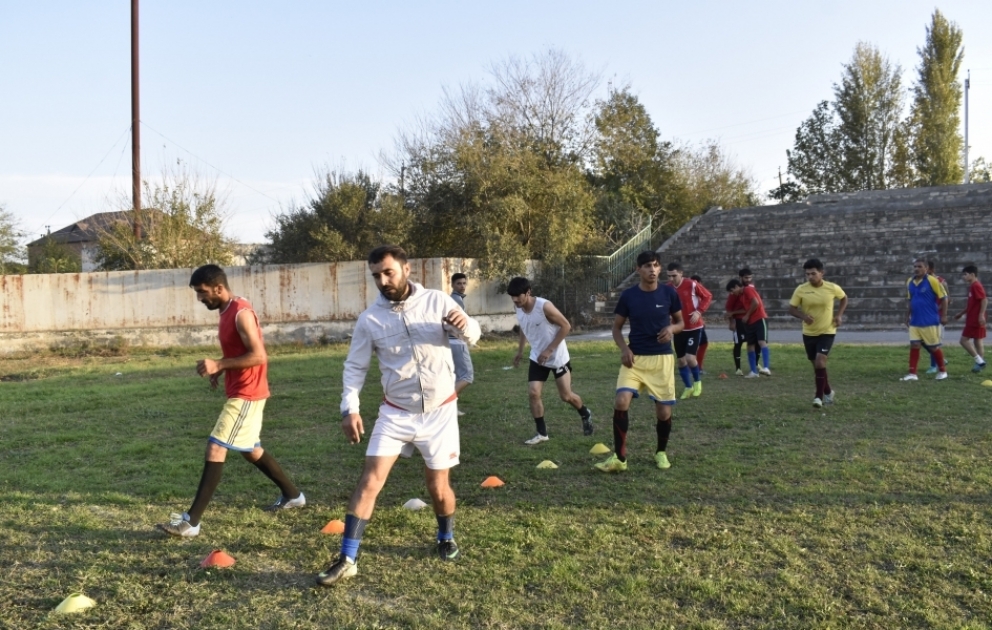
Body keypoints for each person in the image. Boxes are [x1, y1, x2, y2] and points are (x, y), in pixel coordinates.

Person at [317, 245, 481, 586]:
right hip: (395, 413)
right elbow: (355, 367)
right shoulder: (370, 320)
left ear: (406, 269)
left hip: (439, 413)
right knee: (369, 481)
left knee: (438, 487)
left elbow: (474, 335)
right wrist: (350, 408)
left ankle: (445, 536)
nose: (383, 281)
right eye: (376, 275)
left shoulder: (437, 301)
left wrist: (465, 325)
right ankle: (347, 559)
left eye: (388, 272)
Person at [158, 265, 304, 538]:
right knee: (251, 451)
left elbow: (259, 356)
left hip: (247, 393)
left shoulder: (240, 313)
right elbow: (240, 351)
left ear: (218, 288)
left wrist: (220, 364)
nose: (200, 298)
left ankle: (191, 522)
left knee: (216, 446)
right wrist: (221, 368)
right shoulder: (226, 310)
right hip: (242, 389)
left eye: (202, 292)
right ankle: (292, 495)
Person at [595, 251, 684, 473]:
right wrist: (624, 349)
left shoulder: (669, 293)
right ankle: (620, 458)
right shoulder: (629, 296)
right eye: (647, 266)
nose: (652, 269)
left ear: (660, 268)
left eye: (655, 265)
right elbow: (616, 328)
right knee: (621, 401)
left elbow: (681, 323)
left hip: (662, 359)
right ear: (638, 270)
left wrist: (671, 329)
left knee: (663, 413)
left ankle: (661, 452)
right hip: (634, 360)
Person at [509, 277, 593, 443]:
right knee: (533, 393)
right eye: (512, 296)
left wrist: (549, 350)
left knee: (566, 396)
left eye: (518, 296)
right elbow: (524, 327)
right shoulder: (518, 307)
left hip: (557, 357)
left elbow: (566, 326)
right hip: (537, 357)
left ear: (528, 292)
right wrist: (520, 351)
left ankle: (585, 413)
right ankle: (542, 433)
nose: (515, 300)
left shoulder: (544, 306)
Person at [788, 259, 848, 408]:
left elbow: (844, 298)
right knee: (817, 366)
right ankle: (828, 392)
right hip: (809, 332)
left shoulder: (832, 288)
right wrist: (803, 317)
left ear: (822, 273)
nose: (810, 277)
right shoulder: (801, 289)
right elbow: (792, 309)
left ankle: (818, 397)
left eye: (813, 273)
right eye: (807, 274)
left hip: (827, 330)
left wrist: (839, 315)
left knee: (821, 361)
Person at [667, 264, 712, 399]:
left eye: (674, 275)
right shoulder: (667, 288)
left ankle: (697, 382)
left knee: (690, 358)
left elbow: (707, 296)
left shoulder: (691, 284)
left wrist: (698, 312)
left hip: (694, 328)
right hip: (678, 328)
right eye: (669, 276)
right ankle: (688, 387)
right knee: (681, 361)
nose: (671, 279)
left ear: (681, 273)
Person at [901, 259, 948, 381]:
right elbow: (910, 300)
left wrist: (944, 315)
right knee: (914, 345)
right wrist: (907, 316)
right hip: (915, 321)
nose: (917, 269)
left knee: (933, 347)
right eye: (915, 266)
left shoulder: (933, 281)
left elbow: (944, 298)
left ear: (926, 268)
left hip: (929, 320)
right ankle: (912, 373)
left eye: (920, 266)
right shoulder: (910, 281)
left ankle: (942, 371)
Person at [448, 272, 474, 413]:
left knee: (455, 376)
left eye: (464, 283)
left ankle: (451, 407)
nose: (462, 286)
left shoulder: (452, 299)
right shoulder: (456, 300)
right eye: (459, 283)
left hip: (449, 342)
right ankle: (445, 404)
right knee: (467, 377)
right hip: (456, 342)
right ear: (452, 285)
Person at [739, 267, 772, 377]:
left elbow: (756, 303)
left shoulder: (748, 289)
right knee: (750, 345)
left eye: (749, 277)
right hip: (751, 321)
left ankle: (766, 367)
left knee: (762, 341)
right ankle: (753, 371)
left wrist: (747, 315)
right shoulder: (744, 292)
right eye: (746, 278)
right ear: (740, 278)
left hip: (759, 318)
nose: (748, 280)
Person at [954, 264, 987, 372]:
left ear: (972, 275)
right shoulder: (972, 286)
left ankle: (979, 361)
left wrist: (981, 315)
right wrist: (961, 313)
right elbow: (972, 305)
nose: (964, 277)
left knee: (963, 341)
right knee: (978, 340)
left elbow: (984, 300)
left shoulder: (976, 286)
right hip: (973, 318)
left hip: (975, 319)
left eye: (965, 274)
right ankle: (980, 363)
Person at [926, 261, 951, 374]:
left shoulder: (940, 281)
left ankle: (933, 366)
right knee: (921, 340)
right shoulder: (921, 282)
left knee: (933, 341)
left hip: (937, 316)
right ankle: (940, 358)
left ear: (930, 269)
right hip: (925, 316)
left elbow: (947, 299)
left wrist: (939, 311)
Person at [725, 276, 747, 376]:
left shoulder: (747, 292)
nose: (731, 293)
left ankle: (755, 364)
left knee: (753, 343)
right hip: (738, 321)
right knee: (738, 343)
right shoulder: (732, 296)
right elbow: (729, 310)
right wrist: (731, 322)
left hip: (749, 321)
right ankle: (738, 368)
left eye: (731, 290)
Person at [689, 275, 710, 373]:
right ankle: (692, 368)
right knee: (692, 346)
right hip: (690, 325)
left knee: (703, 343)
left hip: (698, 323)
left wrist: (702, 320)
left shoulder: (698, 294)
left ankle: (698, 367)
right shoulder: (690, 292)